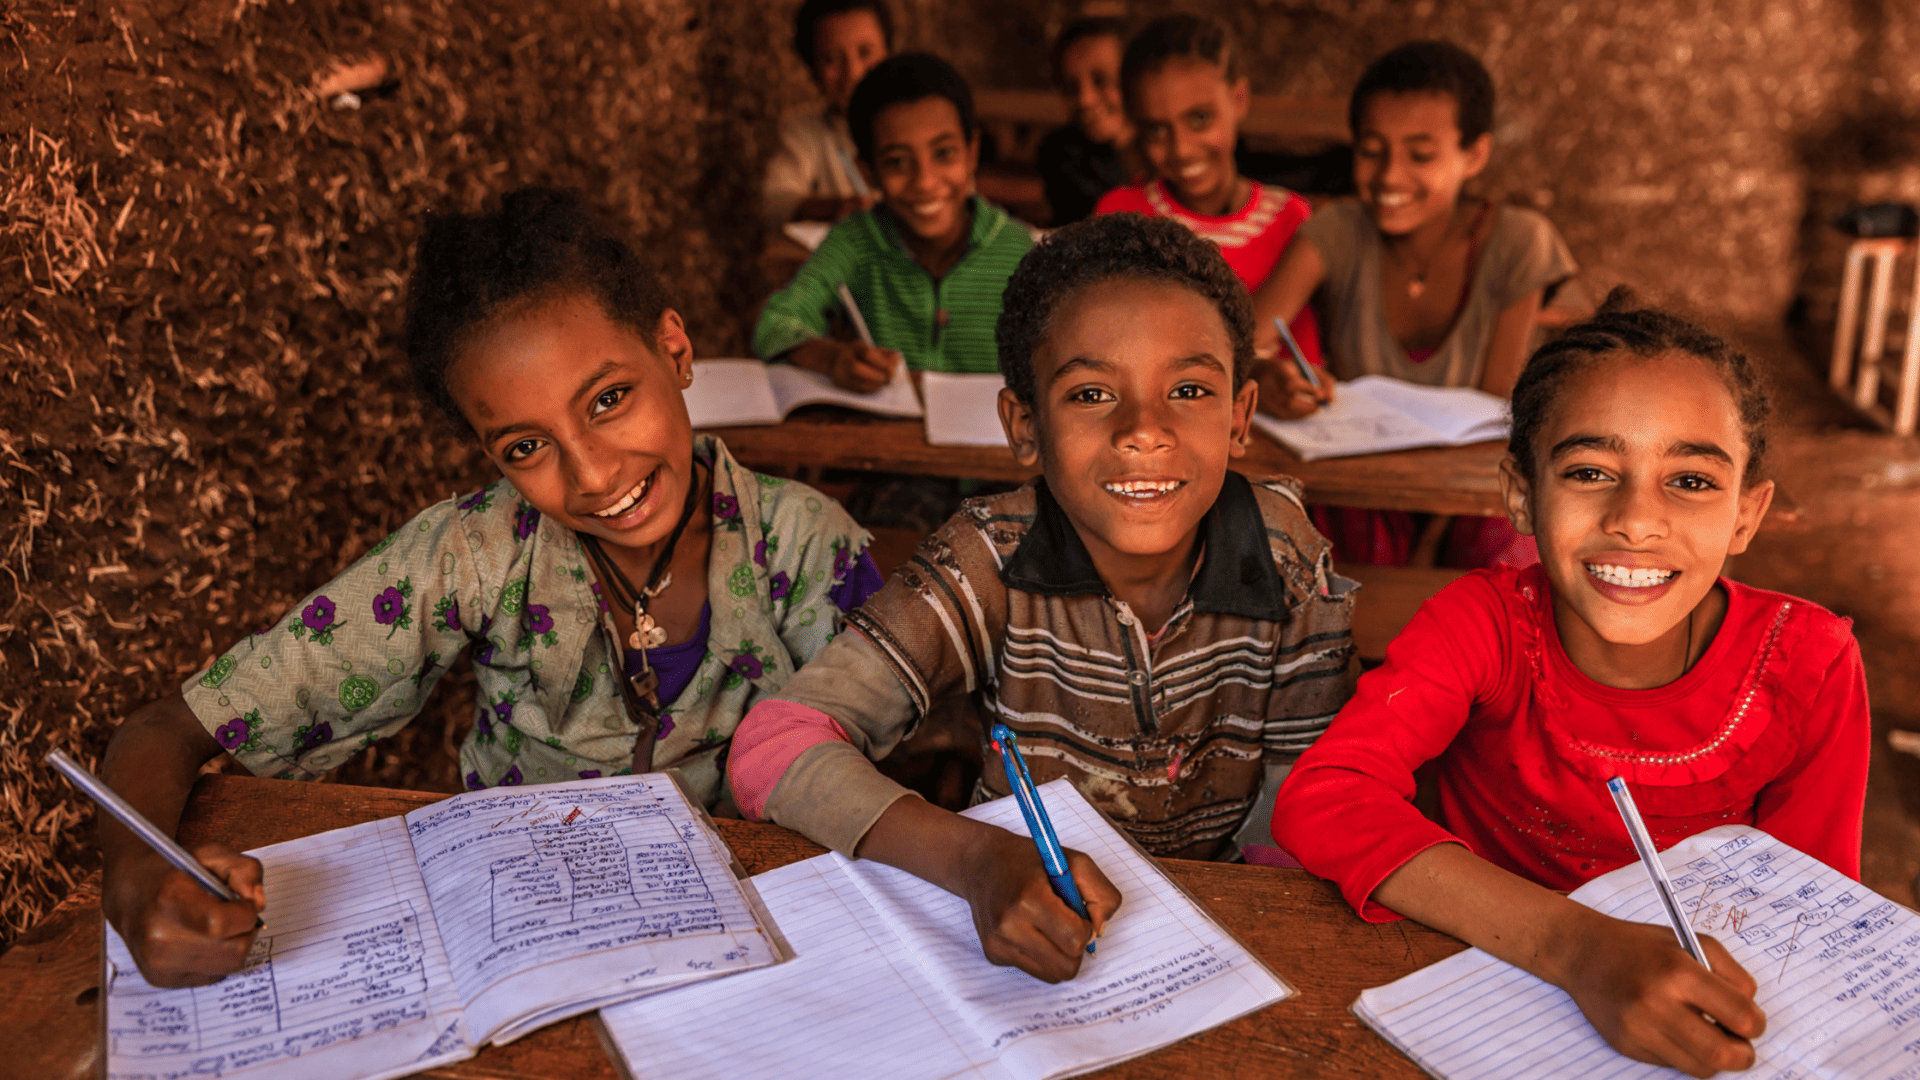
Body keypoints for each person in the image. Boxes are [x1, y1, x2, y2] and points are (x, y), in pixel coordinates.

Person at [99, 188, 886, 987]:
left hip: (760, 953)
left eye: (609, 400)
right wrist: (135, 884)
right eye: (525, 447)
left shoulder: (809, 548)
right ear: (489, 454)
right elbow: (164, 731)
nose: (592, 475)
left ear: (675, 351)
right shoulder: (477, 554)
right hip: (532, 945)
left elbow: (871, 784)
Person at [730, 213, 1357, 983]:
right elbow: (774, 746)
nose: (1144, 431)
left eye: (1189, 390)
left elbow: (1306, 796)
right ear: (1024, 426)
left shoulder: (1286, 554)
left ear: (1239, 416)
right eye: (1092, 393)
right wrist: (974, 857)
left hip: (1221, 938)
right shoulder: (990, 557)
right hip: (1025, 921)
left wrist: (1242, 940)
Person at [1272, 293, 1871, 1079]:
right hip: (1487, 993)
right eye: (1591, 472)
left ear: (1746, 516)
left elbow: (1815, 911)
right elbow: (1327, 797)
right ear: (1521, 493)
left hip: (1697, 1019)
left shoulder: (1810, 663)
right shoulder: (1484, 625)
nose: (1636, 520)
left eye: (1691, 481)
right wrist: (1578, 948)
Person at [1250, 40, 1578, 567]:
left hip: (1471, 494)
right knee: (1328, 535)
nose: (1390, 176)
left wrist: (1431, 537)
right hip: (1362, 491)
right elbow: (1241, 342)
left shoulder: (1517, 242)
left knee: (1514, 536)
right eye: (1371, 150)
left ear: (1474, 156)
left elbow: (1498, 413)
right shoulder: (1337, 231)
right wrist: (1265, 376)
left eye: (1421, 155)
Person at [755, 53, 1034, 392]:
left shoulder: (1018, 253)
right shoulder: (856, 241)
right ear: (867, 172)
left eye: (944, 153)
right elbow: (775, 324)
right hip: (889, 425)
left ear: (971, 153)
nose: (925, 182)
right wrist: (832, 359)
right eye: (898, 162)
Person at [1094, 13, 1321, 367]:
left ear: (1239, 99)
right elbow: (1118, 347)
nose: (1182, 149)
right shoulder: (1122, 215)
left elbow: (1304, 358)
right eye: (1156, 130)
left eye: (1200, 119)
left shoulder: (1290, 218)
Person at [761, 0, 892, 229]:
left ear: (889, 54)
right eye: (831, 58)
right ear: (812, 70)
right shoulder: (805, 132)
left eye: (865, 52)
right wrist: (836, 208)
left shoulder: (921, 124)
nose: (853, 72)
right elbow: (772, 202)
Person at [1036, 16, 1144, 226]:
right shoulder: (1061, 157)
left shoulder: (1172, 150)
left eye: (1101, 80)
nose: (1085, 100)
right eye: (1070, 87)